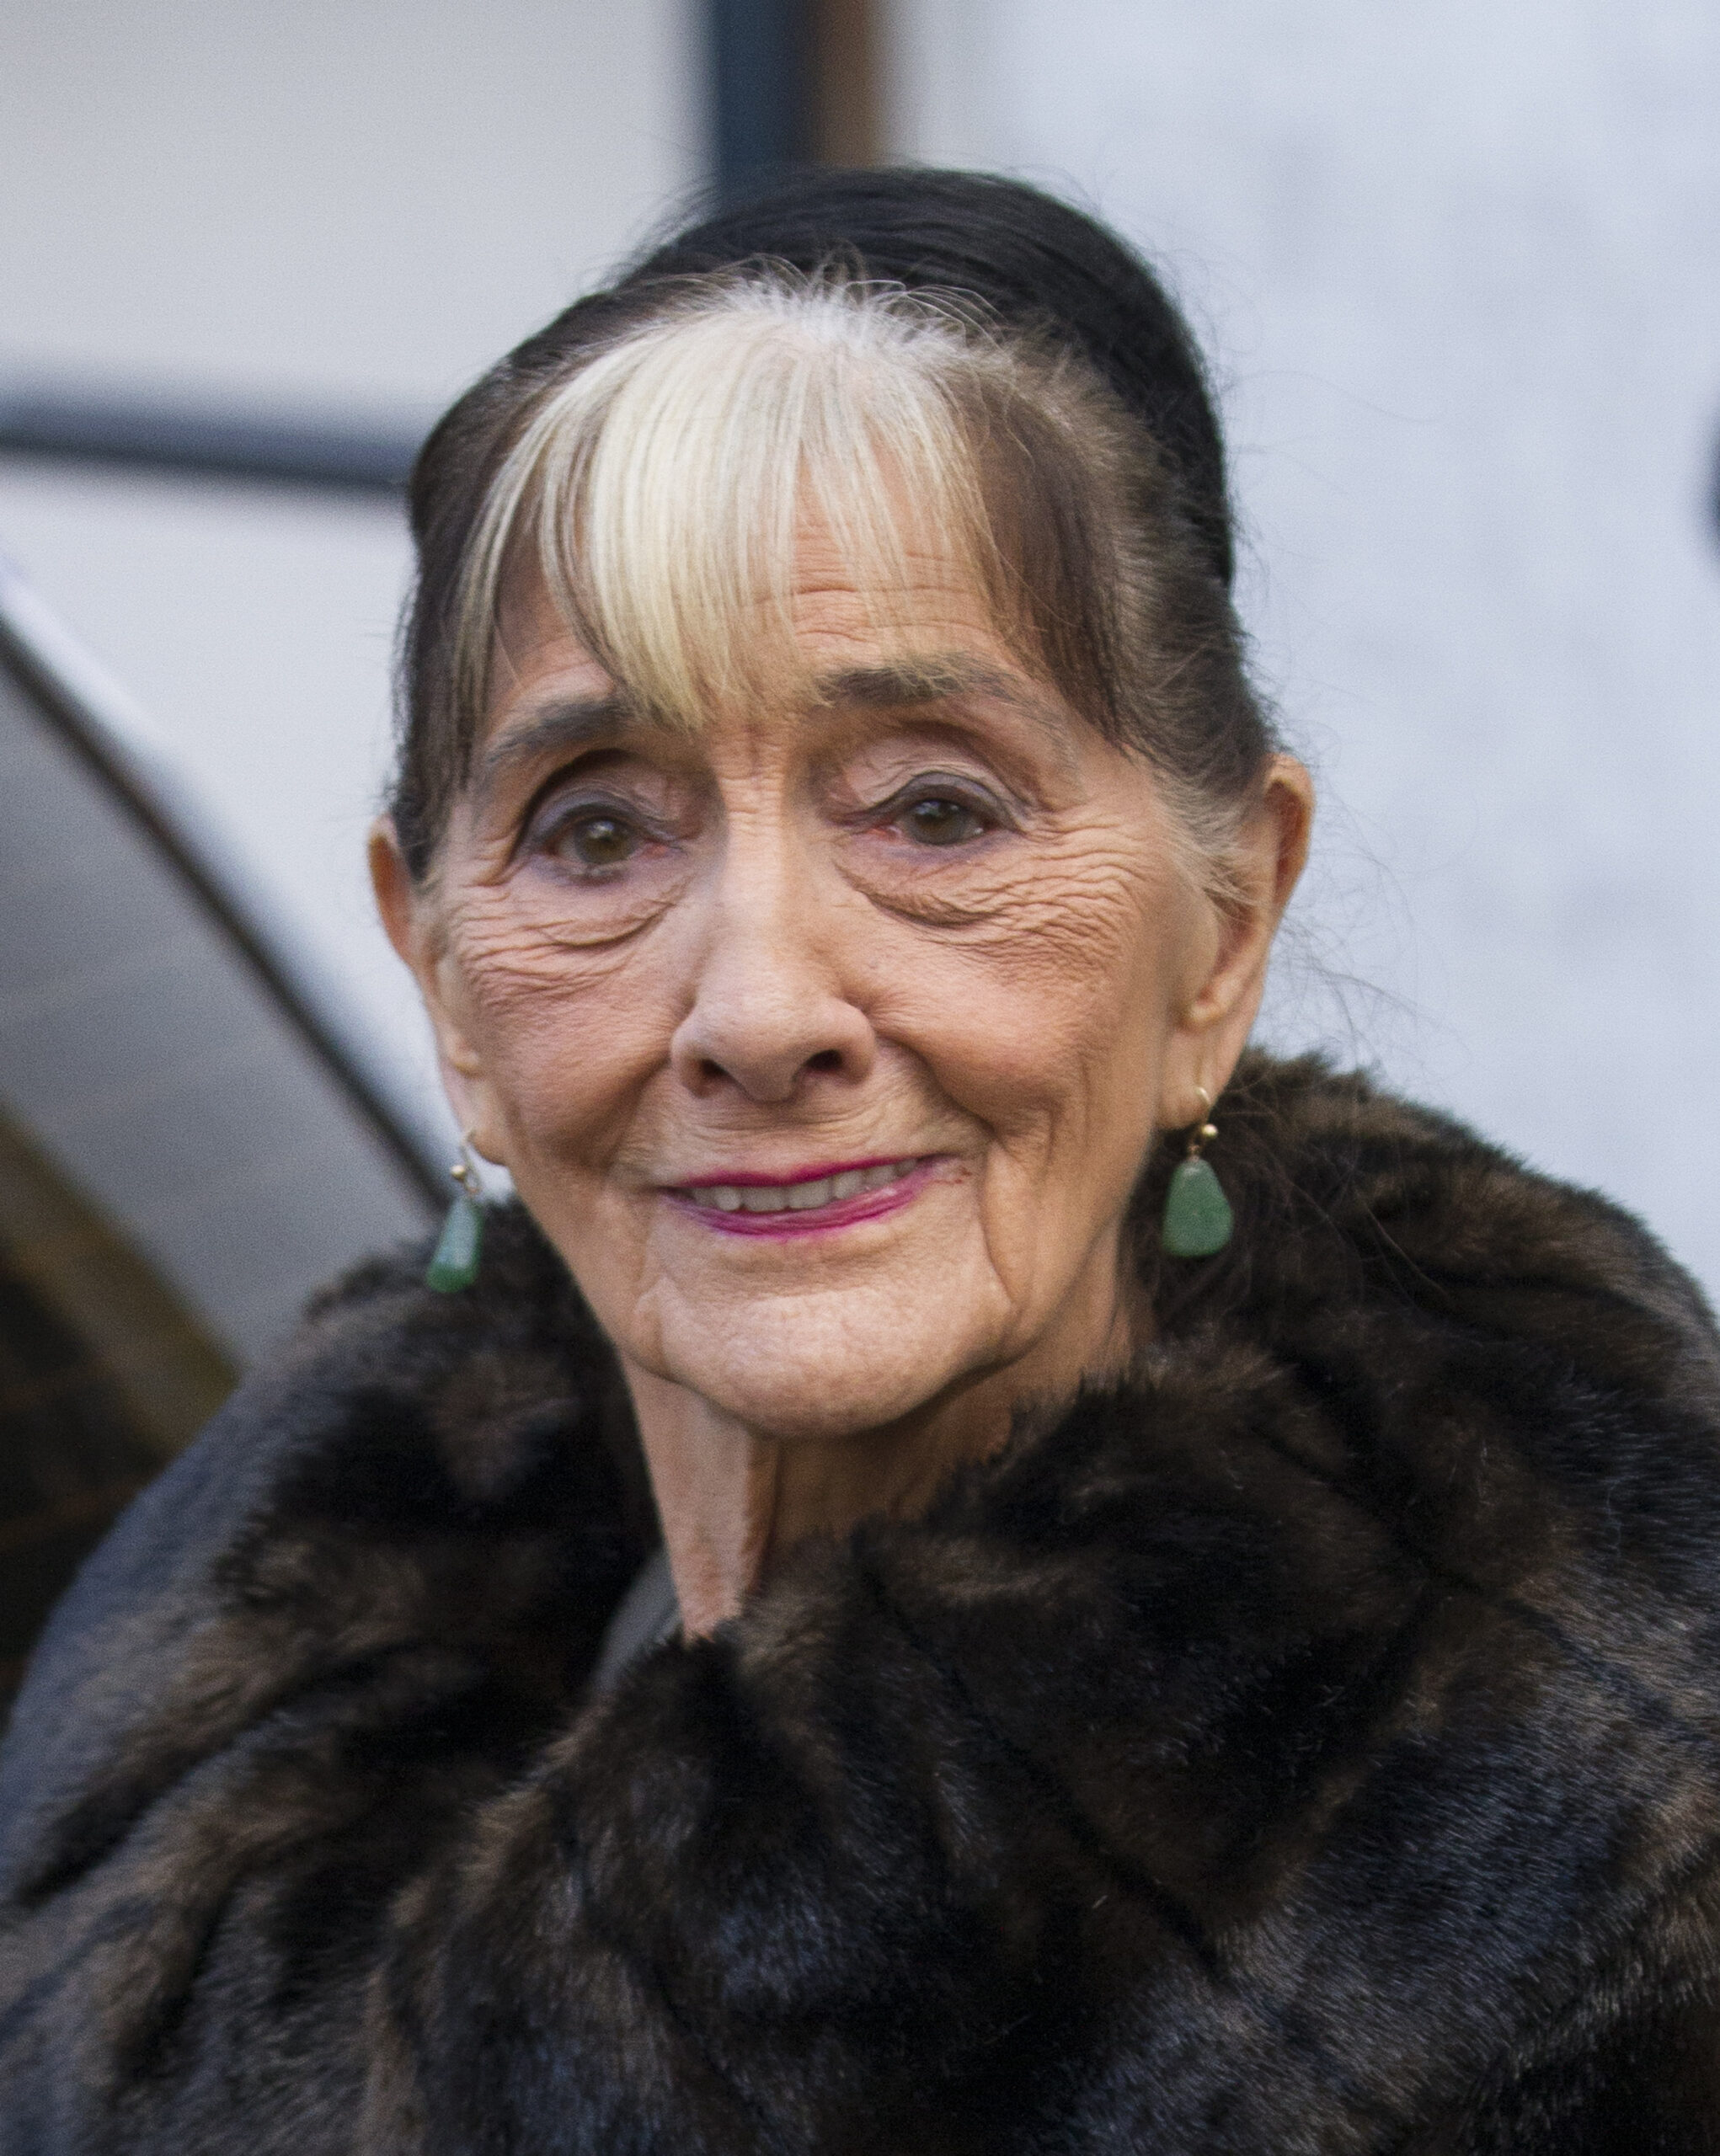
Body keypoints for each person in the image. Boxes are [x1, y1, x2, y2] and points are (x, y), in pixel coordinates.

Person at [3, 168, 1720, 2155]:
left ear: (1223, 928)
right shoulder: (225, 1826)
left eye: (933, 810)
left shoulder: (1588, 1891)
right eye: (595, 832)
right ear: (446, 981)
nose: (757, 1004)